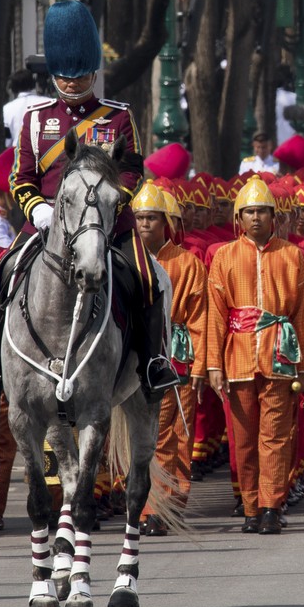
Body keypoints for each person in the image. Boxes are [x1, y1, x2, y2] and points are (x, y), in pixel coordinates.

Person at [0, 0, 179, 402]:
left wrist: (111, 206)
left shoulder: (117, 117)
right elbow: (21, 176)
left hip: (107, 225)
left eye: (80, 76)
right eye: (65, 77)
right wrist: (37, 207)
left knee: (147, 280)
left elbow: (132, 170)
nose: (72, 84)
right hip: (45, 224)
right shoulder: (35, 120)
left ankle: (152, 363)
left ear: (94, 71)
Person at [206, 176, 304, 534]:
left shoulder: (291, 255)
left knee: (276, 436)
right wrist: (212, 365)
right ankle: (251, 506)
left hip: (280, 357)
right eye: (250, 212)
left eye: (263, 212)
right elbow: (215, 314)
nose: (256, 218)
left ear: (274, 216)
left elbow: (303, 313)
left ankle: (272, 505)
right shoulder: (223, 256)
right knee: (243, 437)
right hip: (238, 357)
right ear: (239, 218)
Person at [131, 181, 208, 536]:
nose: (145, 224)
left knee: (179, 435)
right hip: (135, 363)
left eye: (152, 218)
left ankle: (170, 503)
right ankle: (149, 506)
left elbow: (199, 320)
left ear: (166, 222)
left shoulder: (188, 263)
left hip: (177, 359)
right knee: (149, 436)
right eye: (140, 218)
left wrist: (200, 366)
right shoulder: (123, 258)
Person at [2, 69, 46, 148]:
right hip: (44, 151)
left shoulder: (6, 108)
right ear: (33, 83)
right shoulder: (48, 102)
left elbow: (7, 141)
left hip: (17, 152)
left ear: (12, 88)